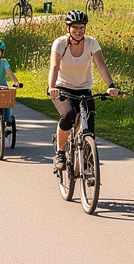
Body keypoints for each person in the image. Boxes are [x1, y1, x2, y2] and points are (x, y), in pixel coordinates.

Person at [48, 10, 119, 172]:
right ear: (67, 28)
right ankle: (60, 152)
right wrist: (52, 87)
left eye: (82, 27)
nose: (79, 31)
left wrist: (110, 85)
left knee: (90, 125)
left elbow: (101, 65)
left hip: (84, 89)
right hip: (62, 89)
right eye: (75, 28)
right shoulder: (59, 43)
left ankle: (87, 162)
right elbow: (54, 66)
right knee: (68, 115)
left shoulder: (91, 43)